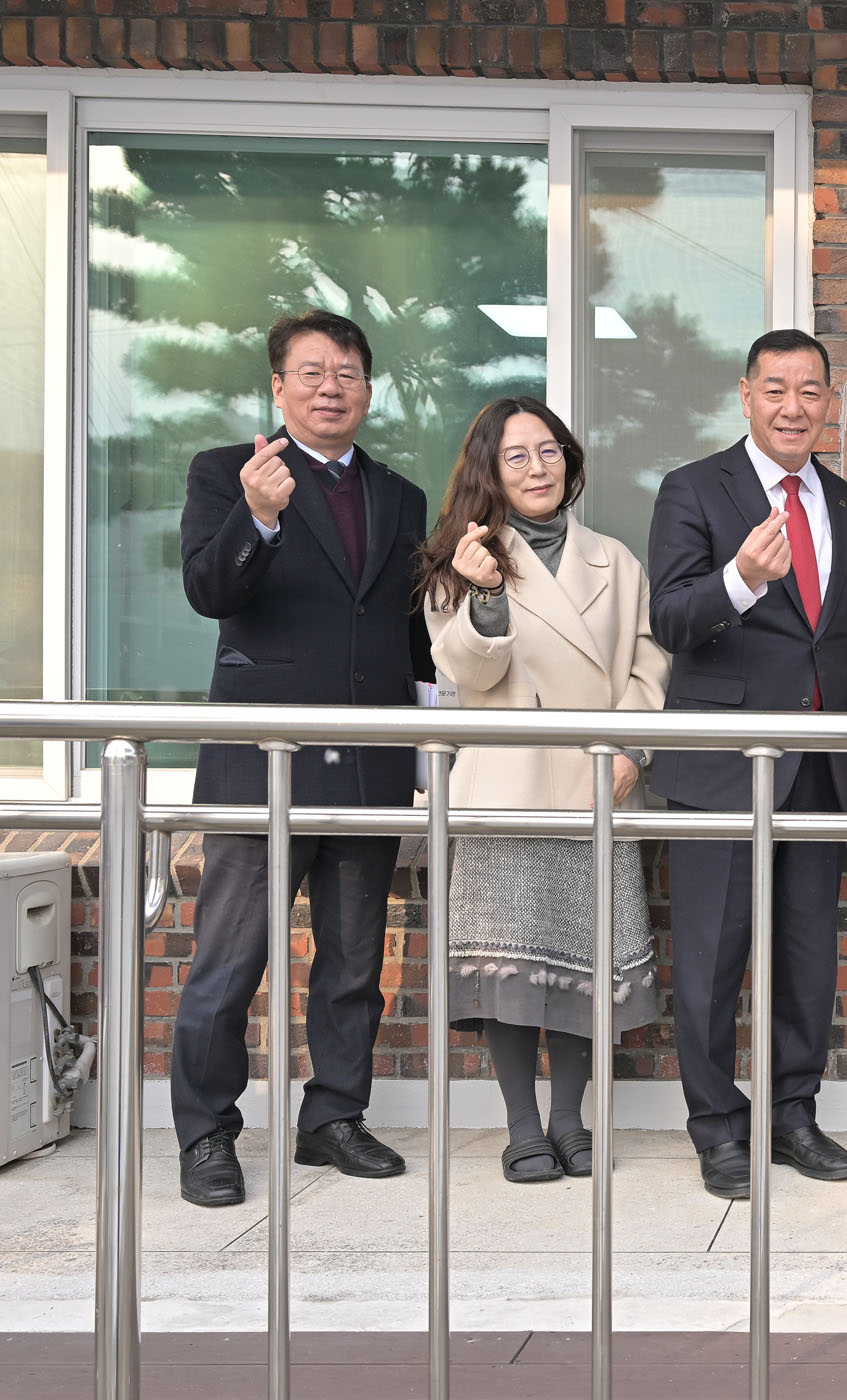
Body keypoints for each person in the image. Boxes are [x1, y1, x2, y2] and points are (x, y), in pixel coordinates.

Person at [172, 310, 434, 1207]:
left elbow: (407, 630)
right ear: (278, 387)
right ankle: (206, 1132)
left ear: (369, 389)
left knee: (354, 961)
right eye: (312, 372)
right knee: (229, 962)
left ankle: (333, 1117)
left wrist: (428, 736)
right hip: (261, 761)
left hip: (369, 759)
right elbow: (209, 591)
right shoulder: (228, 473)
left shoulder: (400, 495)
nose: (332, 387)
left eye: (348, 373)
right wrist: (257, 515)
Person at [647, 329, 847, 1202]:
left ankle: (793, 1114)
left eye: (810, 391)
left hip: (821, 769)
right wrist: (741, 580)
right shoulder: (692, 488)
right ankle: (718, 1126)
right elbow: (671, 620)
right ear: (746, 395)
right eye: (776, 390)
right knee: (711, 957)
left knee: (806, 954)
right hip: (720, 764)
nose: (794, 407)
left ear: (831, 402)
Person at [419, 397, 669, 1183]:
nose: (538, 468)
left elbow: (650, 664)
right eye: (517, 456)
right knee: (511, 966)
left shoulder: (614, 559)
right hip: (509, 786)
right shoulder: (464, 558)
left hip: (598, 781)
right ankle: (522, 1126)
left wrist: (630, 747)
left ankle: (570, 1119)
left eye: (549, 450)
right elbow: (467, 672)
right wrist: (486, 595)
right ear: (490, 472)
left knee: (583, 957)